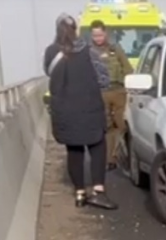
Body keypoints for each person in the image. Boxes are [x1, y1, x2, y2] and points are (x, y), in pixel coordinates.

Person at [44, 13, 117, 210]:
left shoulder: (51, 53)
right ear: (76, 30)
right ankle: (98, 192)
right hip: (89, 108)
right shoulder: (88, 51)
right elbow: (103, 78)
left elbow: (49, 73)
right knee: (97, 147)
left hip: (64, 112)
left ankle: (79, 193)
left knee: (74, 150)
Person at [89, 20, 134, 170]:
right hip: (100, 93)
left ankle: (124, 156)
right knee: (107, 127)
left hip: (119, 92)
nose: (98, 38)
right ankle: (111, 160)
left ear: (105, 33)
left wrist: (131, 86)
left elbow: (127, 69)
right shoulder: (89, 52)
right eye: (95, 35)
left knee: (121, 125)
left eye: (100, 35)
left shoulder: (116, 49)